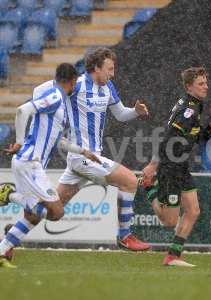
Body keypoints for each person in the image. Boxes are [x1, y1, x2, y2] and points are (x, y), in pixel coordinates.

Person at [0, 63, 100, 268]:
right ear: (72, 81)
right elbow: (22, 110)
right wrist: (19, 141)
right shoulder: (55, 95)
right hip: (30, 162)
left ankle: (2, 251)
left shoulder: (59, 102)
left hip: (27, 163)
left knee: (33, 216)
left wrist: (83, 152)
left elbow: (58, 141)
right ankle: (9, 194)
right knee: (56, 212)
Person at [55, 47, 150, 251]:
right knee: (130, 181)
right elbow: (55, 100)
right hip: (81, 157)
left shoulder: (108, 87)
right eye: (109, 69)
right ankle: (125, 236)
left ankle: (9, 234)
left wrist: (135, 111)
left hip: (91, 157)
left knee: (53, 211)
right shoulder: (77, 85)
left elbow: (120, 114)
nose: (112, 73)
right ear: (96, 68)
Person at [142, 67, 211, 267]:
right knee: (169, 221)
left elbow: (196, 139)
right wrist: (153, 165)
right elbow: (167, 137)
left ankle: (172, 256)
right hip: (170, 167)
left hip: (181, 166)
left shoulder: (194, 106)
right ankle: (148, 188)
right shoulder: (189, 110)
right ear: (189, 87)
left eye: (206, 82)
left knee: (193, 211)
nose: (206, 86)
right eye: (201, 84)